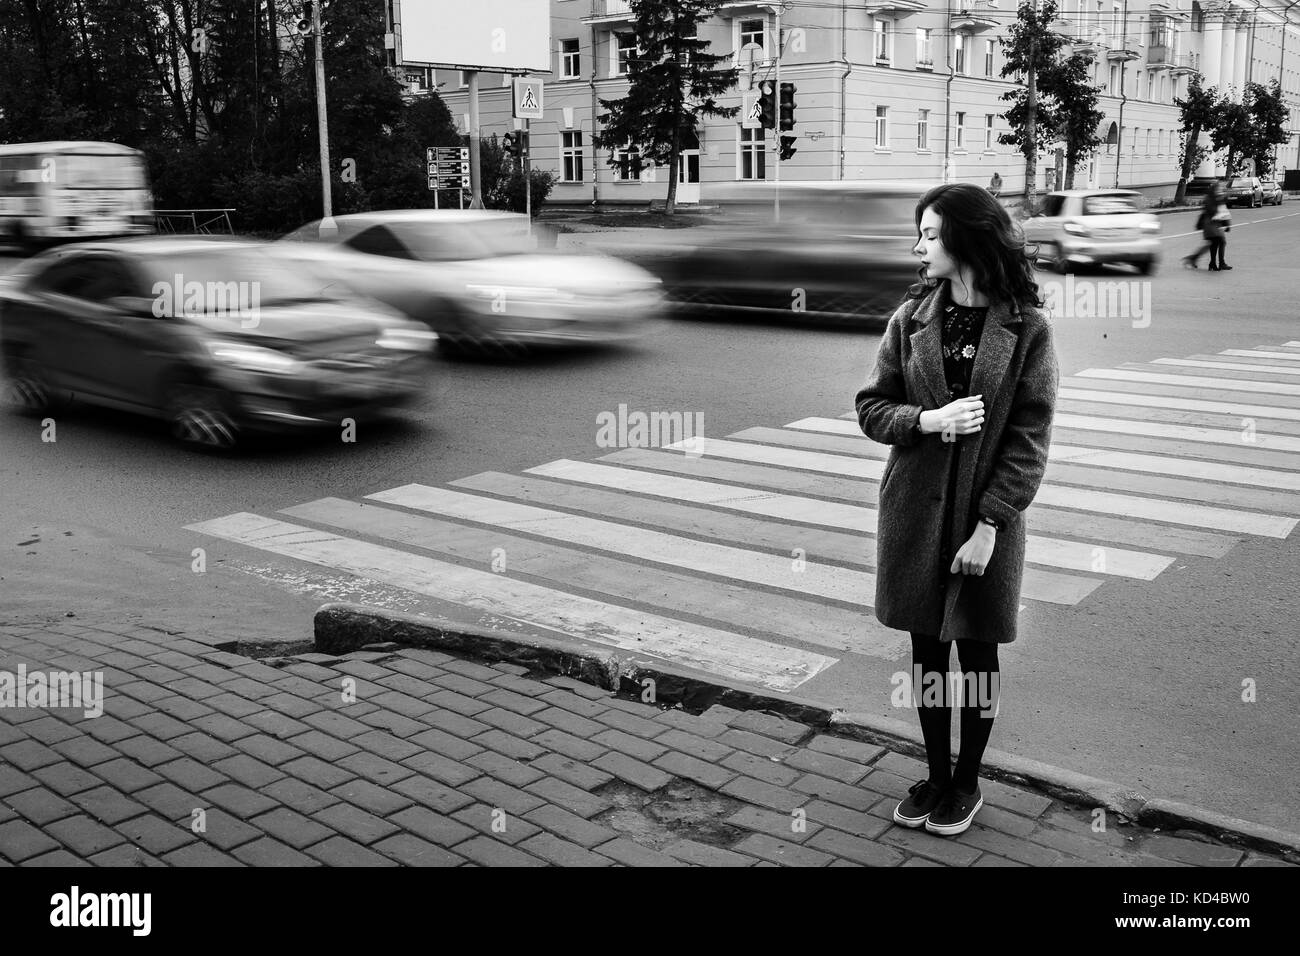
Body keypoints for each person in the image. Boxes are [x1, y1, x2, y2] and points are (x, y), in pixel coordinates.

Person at [853, 182, 1059, 837]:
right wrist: (929, 419)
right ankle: (935, 774)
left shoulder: (1026, 329)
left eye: (931, 234)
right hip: (915, 514)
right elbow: (871, 408)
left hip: (981, 522)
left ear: (967, 239)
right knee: (925, 654)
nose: (919, 246)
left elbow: (1030, 435)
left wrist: (992, 523)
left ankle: (966, 782)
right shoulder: (910, 320)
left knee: (974, 657)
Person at [1184, 182, 1232, 270]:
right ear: (1213, 190)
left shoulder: (1216, 198)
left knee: (1213, 243)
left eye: (1220, 189)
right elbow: (1212, 210)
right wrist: (1219, 202)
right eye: (1218, 189)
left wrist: (1224, 197)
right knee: (1218, 242)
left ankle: (1206, 262)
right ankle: (1215, 263)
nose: (1220, 191)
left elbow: (1223, 208)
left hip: (1215, 224)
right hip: (1210, 224)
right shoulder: (1209, 199)